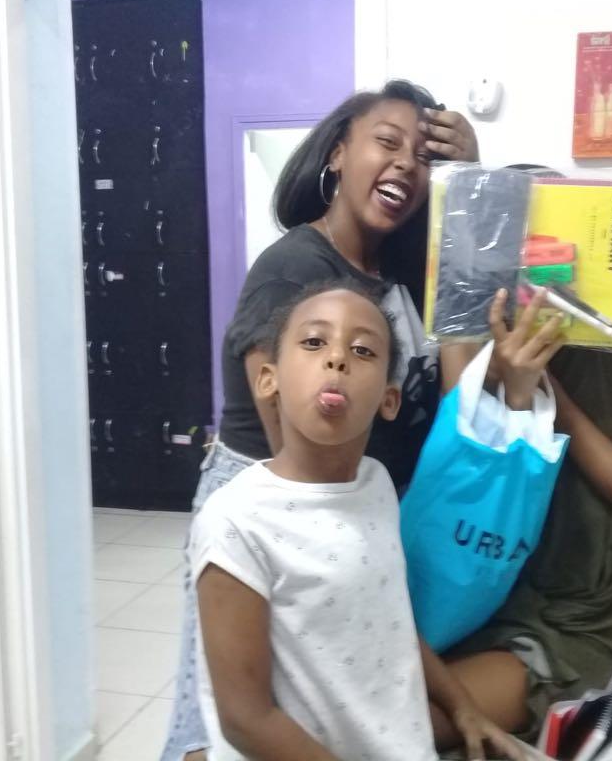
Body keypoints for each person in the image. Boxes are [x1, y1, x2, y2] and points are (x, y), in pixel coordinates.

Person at [162, 82, 563, 761]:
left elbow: (460, 386)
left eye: (424, 157)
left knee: (335, 688)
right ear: (338, 153)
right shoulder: (297, 266)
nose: (406, 163)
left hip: (356, 496)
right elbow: (298, 439)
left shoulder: (394, 270)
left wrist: (469, 177)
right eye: (386, 142)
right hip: (285, 500)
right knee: (220, 721)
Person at [189, 282, 525, 761]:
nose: (337, 359)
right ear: (268, 379)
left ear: (389, 399)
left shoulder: (376, 484)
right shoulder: (237, 520)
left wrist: (463, 708)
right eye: (313, 342)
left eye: (363, 350)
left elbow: (390, 620)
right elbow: (246, 720)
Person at [439, 301, 612, 741]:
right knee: (348, 702)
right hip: (470, 594)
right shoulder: (470, 307)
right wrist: (495, 377)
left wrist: (543, 389)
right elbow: (461, 472)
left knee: (395, 717)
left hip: (572, 621)